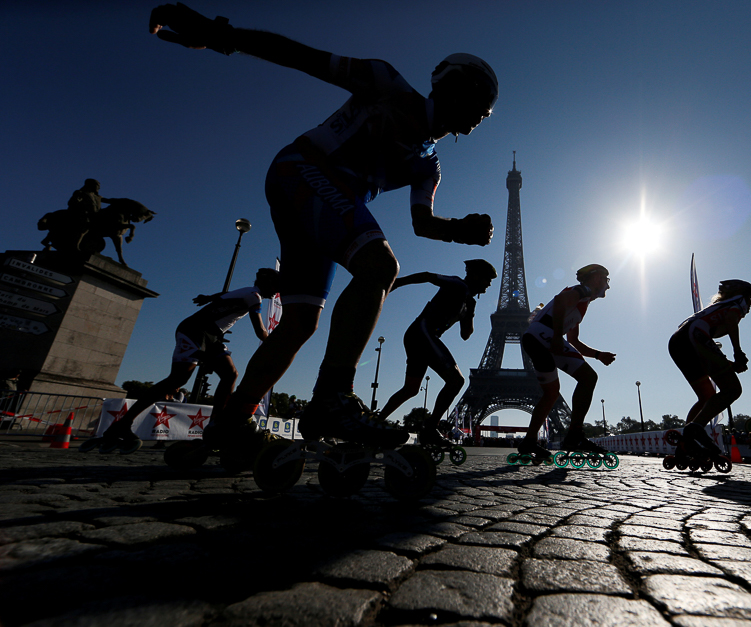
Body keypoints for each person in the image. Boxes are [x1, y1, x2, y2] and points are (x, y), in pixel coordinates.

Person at [149, 4, 496, 452]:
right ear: (454, 89)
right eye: (478, 106)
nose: (477, 121)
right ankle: (332, 398)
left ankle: (228, 425)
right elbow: (302, 56)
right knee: (379, 267)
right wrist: (223, 35)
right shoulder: (386, 83)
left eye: (485, 115)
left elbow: (422, 223)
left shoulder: (429, 163)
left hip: (318, 196)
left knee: (299, 323)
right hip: (306, 170)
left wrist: (459, 230)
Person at [85, 269, 279, 454]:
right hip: (195, 331)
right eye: (277, 286)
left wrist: (207, 298)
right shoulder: (254, 296)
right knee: (177, 380)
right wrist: (282, 344)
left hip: (211, 335)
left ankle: (215, 424)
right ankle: (123, 424)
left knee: (230, 374)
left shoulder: (247, 291)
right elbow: (260, 331)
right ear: (268, 283)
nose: (278, 291)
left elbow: (224, 294)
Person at [379, 260, 497, 446]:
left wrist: (470, 311)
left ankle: (375, 422)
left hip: (420, 335)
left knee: (411, 389)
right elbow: (427, 276)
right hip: (423, 333)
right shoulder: (458, 284)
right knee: (456, 380)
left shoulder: (469, 301)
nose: (489, 284)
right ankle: (430, 429)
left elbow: (465, 335)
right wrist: (396, 283)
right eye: (487, 279)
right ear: (475, 275)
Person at [516, 264, 616, 462]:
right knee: (588, 378)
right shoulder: (582, 291)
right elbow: (561, 301)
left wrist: (598, 355)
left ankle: (529, 441)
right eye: (606, 280)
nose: (608, 286)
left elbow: (574, 342)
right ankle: (575, 435)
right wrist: (554, 338)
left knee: (551, 393)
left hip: (537, 337)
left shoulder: (582, 303)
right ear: (596, 279)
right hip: (544, 336)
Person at [668, 279, 751, 458]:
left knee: (706, 397)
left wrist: (730, 364)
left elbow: (709, 354)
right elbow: (732, 320)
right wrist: (738, 352)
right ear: (743, 296)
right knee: (732, 389)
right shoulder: (738, 302)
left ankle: (686, 442)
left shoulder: (718, 306)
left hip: (679, 341)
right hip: (695, 336)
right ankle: (694, 429)